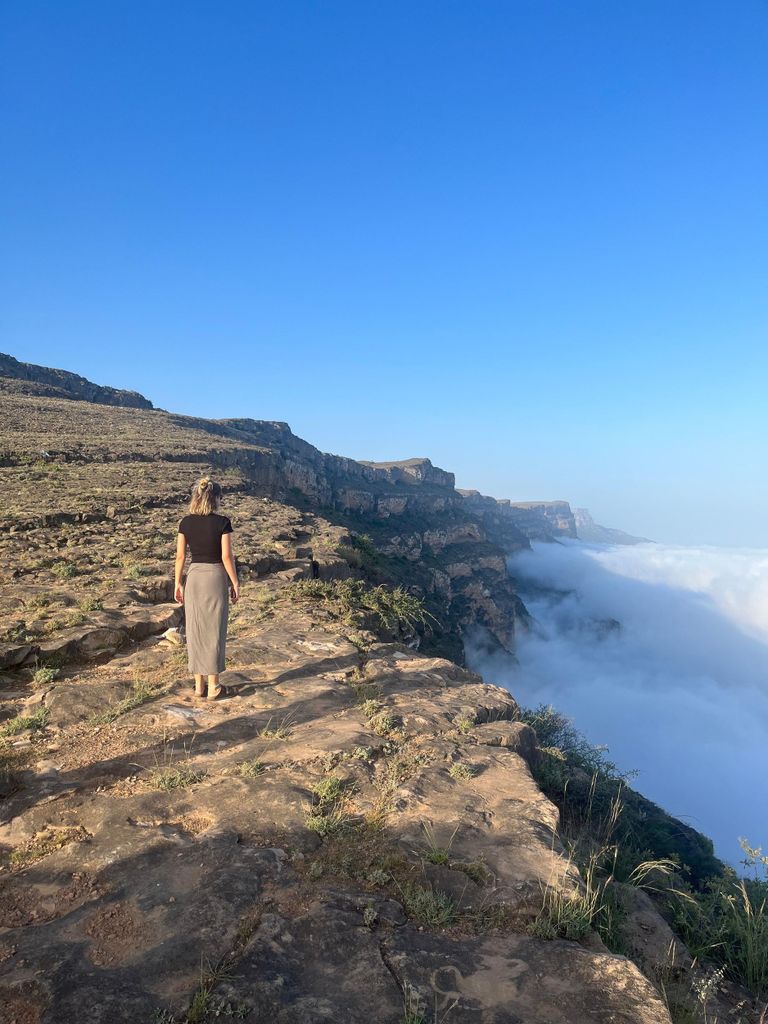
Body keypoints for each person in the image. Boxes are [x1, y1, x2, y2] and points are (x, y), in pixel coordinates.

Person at [174, 476, 240, 700]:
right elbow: (226, 557)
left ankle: (198, 687)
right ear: (216, 499)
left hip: (193, 577)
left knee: (195, 629)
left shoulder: (185, 523)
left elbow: (181, 556)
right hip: (215, 575)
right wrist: (235, 582)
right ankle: (214, 686)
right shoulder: (223, 522)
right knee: (215, 630)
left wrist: (177, 583)